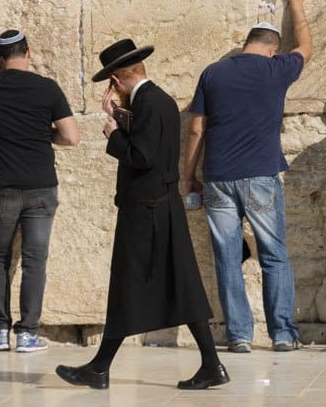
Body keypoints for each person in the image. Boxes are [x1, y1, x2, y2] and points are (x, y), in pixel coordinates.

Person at [55, 39, 228, 390]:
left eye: (111, 85)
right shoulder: (158, 100)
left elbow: (142, 156)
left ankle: (99, 368)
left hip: (145, 211)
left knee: (127, 285)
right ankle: (211, 365)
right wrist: (119, 117)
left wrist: (113, 133)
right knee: (182, 285)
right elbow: (152, 141)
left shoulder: (146, 104)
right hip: (162, 207)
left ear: (117, 81)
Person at [182, 0, 312, 353]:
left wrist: (188, 177)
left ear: (245, 44)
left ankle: (239, 335)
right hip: (260, 177)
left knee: (226, 258)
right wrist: (296, 2)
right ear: (273, 48)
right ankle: (283, 335)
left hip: (219, 177)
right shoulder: (277, 69)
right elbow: (305, 46)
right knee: (274, 255)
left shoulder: (213, 72)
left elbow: (195, 129)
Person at [0, 29, 80, 353]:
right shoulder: (47, 88)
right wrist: (43, 134)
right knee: (35, 261)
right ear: (30, 52)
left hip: (3, 190)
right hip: (41, 188)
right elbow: (71, 136)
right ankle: (27, 335)